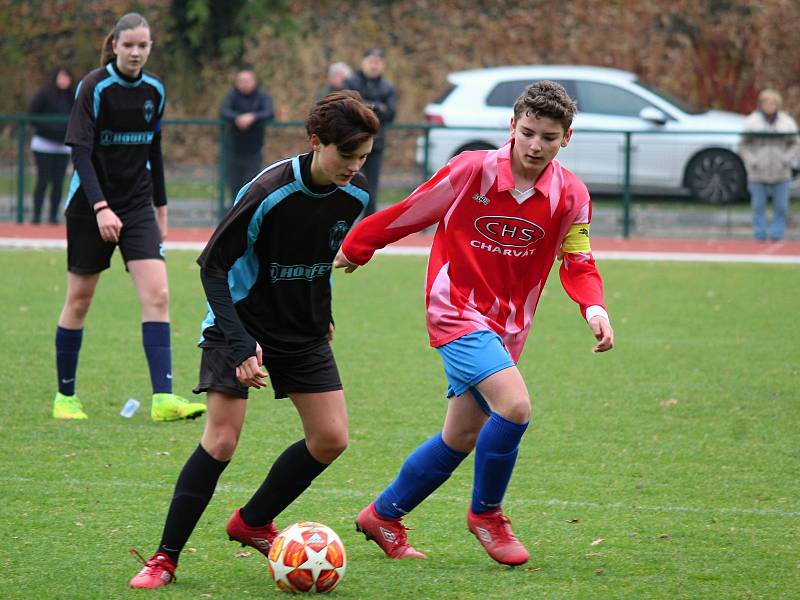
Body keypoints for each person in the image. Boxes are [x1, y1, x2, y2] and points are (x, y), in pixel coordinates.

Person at [334, 81, 614, 566]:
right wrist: (358, 245)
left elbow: (578, 260)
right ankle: (487, 515)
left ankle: (383, 515)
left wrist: (593, 307)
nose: (534, 145)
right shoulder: (471, 170)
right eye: (527, 132)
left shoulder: (571, 195)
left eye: (548, 137)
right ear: (511, 126)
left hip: (508, 328)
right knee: (516, 406)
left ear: (565, 139)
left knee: (461, 436)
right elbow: (410, 211)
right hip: (454, 310)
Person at [128, 91, 379, 589]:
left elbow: (320, 260)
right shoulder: (268, 191)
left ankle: (252, 521)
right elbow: (212, 266)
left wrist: (322, 313)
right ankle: (164, 558)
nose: (355, 167)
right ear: (316, 143)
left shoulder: (356, 196)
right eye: (346, 155)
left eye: (363, 157)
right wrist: (241, 344)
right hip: (237, 321)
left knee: (331, 439)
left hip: (302, 331)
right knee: (221, 440)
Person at [52, 12, 206, 422]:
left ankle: (163, 400)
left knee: (158, 295)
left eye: (143, 45)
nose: (136, 52)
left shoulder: (155, 90)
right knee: (80, 300)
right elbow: (80, 152)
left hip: (137, 205)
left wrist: (162, 208)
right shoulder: (94, 86)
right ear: (115, 45)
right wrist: (101, 207)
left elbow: (153, 151)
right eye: (129, 45)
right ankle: (65, 397)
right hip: (90, 205)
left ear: (150, 48)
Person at [739, 88, 800, 241]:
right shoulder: (751, 122)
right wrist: (753, 161)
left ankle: (777, 235)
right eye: (767, 102)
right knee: (758, 206)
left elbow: (795, 144)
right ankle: (759, 235)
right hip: (758, 172)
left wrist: (786, 159)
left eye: (773, 103)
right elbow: (743, 145)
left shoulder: (787, 122)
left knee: (781, 207)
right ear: (761, 104)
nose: (770, 106)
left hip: (781, 172)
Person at [343, 48, 396, 217]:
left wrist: (366, 106)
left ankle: (366, 231)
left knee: (370, 190)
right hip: (351, 142)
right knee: (345, 185)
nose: (374, 66)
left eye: (377, 62)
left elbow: (391, 113)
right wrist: (376, 107)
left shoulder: (387, 86)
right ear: (363, 62)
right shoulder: (351, 81)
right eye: (371, 61)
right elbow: (350, 104)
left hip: (375, 144)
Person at [219, 69, 275, 203]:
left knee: (252, 184)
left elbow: (269, 112)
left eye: (247, 81)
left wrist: (253, 117)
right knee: (233, 184)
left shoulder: (261, 96)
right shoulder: (232, 95)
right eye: (241, 81)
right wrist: (237, 118)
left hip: (254, 149)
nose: (244, 84)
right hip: (233, 148)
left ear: (254, 82)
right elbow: (223, 111)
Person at [28, 66, 75, 224]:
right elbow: (32, 115)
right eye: (61, 77)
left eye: (66, 77)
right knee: (43, 180)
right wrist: (50, 129)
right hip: (43, 144)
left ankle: (53, 217)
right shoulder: (44, 94)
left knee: (58, 182)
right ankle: (36, 216)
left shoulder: (72, 96)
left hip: (62, 146)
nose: (64, 80)